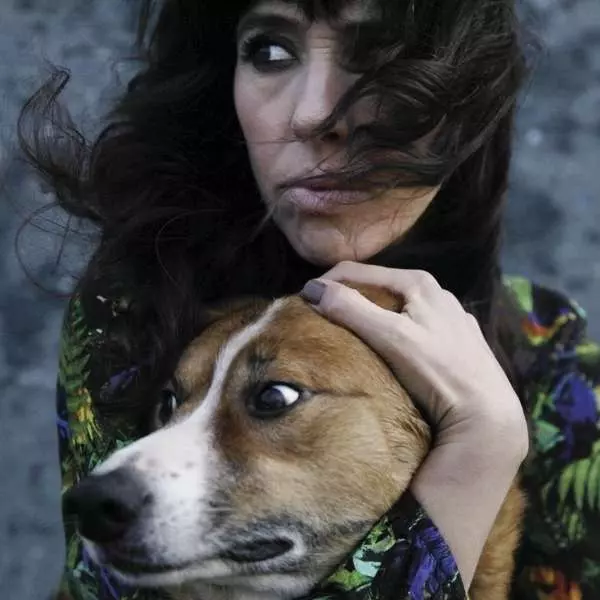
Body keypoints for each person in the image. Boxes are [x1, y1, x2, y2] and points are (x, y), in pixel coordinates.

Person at [18, 0, 599, 598]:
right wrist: (477, 456)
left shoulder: (548, 349)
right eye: (269, 51)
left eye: (377, 54)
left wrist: (491, 430)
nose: (313, 113)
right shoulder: (139, 307)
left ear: (466, 97)